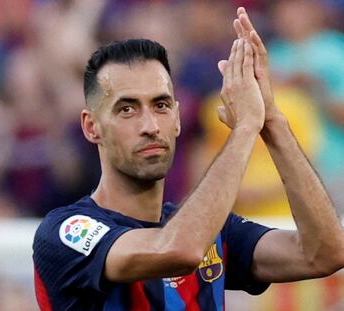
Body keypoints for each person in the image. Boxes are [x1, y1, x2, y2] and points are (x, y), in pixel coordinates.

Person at [33, 7, 344, 311]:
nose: (150, 126)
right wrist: (246, 127)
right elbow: (178, 250)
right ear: (91, 127)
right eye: (126, 109)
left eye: (161, 105)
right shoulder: (66, 231)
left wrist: (272, 120)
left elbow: (325, 254)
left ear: (178, 119)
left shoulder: (213, 231)